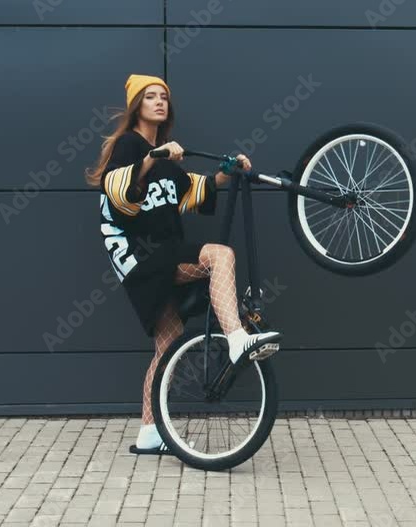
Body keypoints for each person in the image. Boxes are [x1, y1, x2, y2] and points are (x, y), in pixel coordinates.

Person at [86, 74, 282, 454]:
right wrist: (149, 158)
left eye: (163, 97)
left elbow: (193, 191)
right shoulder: (130, 145)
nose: (159, 102)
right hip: (140, 257)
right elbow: (117, 192)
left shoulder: (164, 157)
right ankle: (238, 339)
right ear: (136, 106)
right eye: (150, 97)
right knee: (219, 255)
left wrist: (227, 172)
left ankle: (148, 433)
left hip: (156, 258)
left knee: (167, 347)